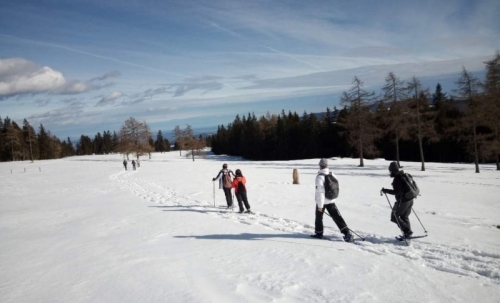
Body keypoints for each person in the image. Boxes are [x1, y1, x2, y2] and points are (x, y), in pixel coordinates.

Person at [311, 158, 354, 242]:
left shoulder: (319, 177)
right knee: (337, 217)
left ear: (320, 166)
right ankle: (347, 233)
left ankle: (319, 233)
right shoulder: (332, 174)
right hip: (331, 200)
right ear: (327, 166)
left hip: (322, 201)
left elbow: (320, 192)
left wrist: (320, 205)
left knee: (319, 218)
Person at [381, 162, 414, 238]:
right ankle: (407, 233)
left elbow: (397, 192)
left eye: (390, 171)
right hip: (410, 200)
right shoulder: (404, 175)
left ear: (393, 170)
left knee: (394, 216)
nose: (390, 173)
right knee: (404, 216)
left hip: (403, 201)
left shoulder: (397, 179)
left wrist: (386, 190)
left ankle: (407, 231)